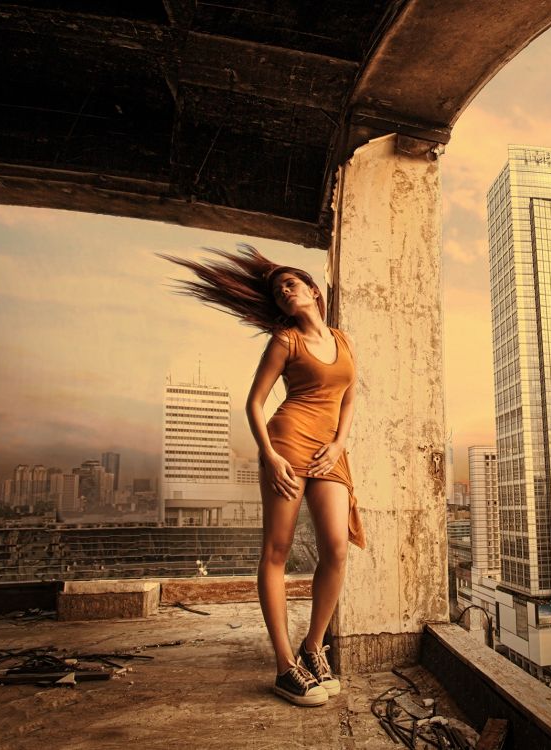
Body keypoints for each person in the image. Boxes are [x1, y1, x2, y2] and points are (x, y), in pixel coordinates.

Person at [161, 244, 366, 707]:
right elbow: (255, 402)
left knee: (335, 547)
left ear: (313, 291)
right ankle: (284, 668)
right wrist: (270, 457)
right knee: (277, 549)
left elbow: (349, 397)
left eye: (291, 285)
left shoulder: (343, 339)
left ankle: (313, 648)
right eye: (278, 292)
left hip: (329, 451)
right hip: (287, 443)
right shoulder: (285, 341)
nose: (285, 293)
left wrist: (338, 444)